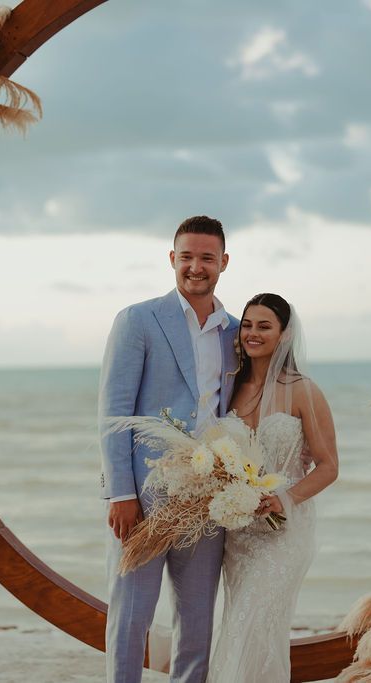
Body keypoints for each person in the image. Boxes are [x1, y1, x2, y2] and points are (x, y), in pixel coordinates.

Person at [98, 216, 240, 683]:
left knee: (197, 619)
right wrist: (121, 493)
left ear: (223, 261)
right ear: (171, 259)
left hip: (208, 498)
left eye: (206, 258)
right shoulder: (138, 320)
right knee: (132, 614)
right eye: (186, 257)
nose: (195, 267)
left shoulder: (236, 332)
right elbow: (114, 413)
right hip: (146, 494)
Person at [208, 293, 339, 683]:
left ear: (284, 334)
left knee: (256, 627)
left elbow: (328, 466)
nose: (252, 333)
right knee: (240, 626)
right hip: (239, 536)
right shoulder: (228, 388)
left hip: (284, 535)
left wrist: (283, 498)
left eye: (264, 326)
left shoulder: (302, 390)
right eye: (247, 324)